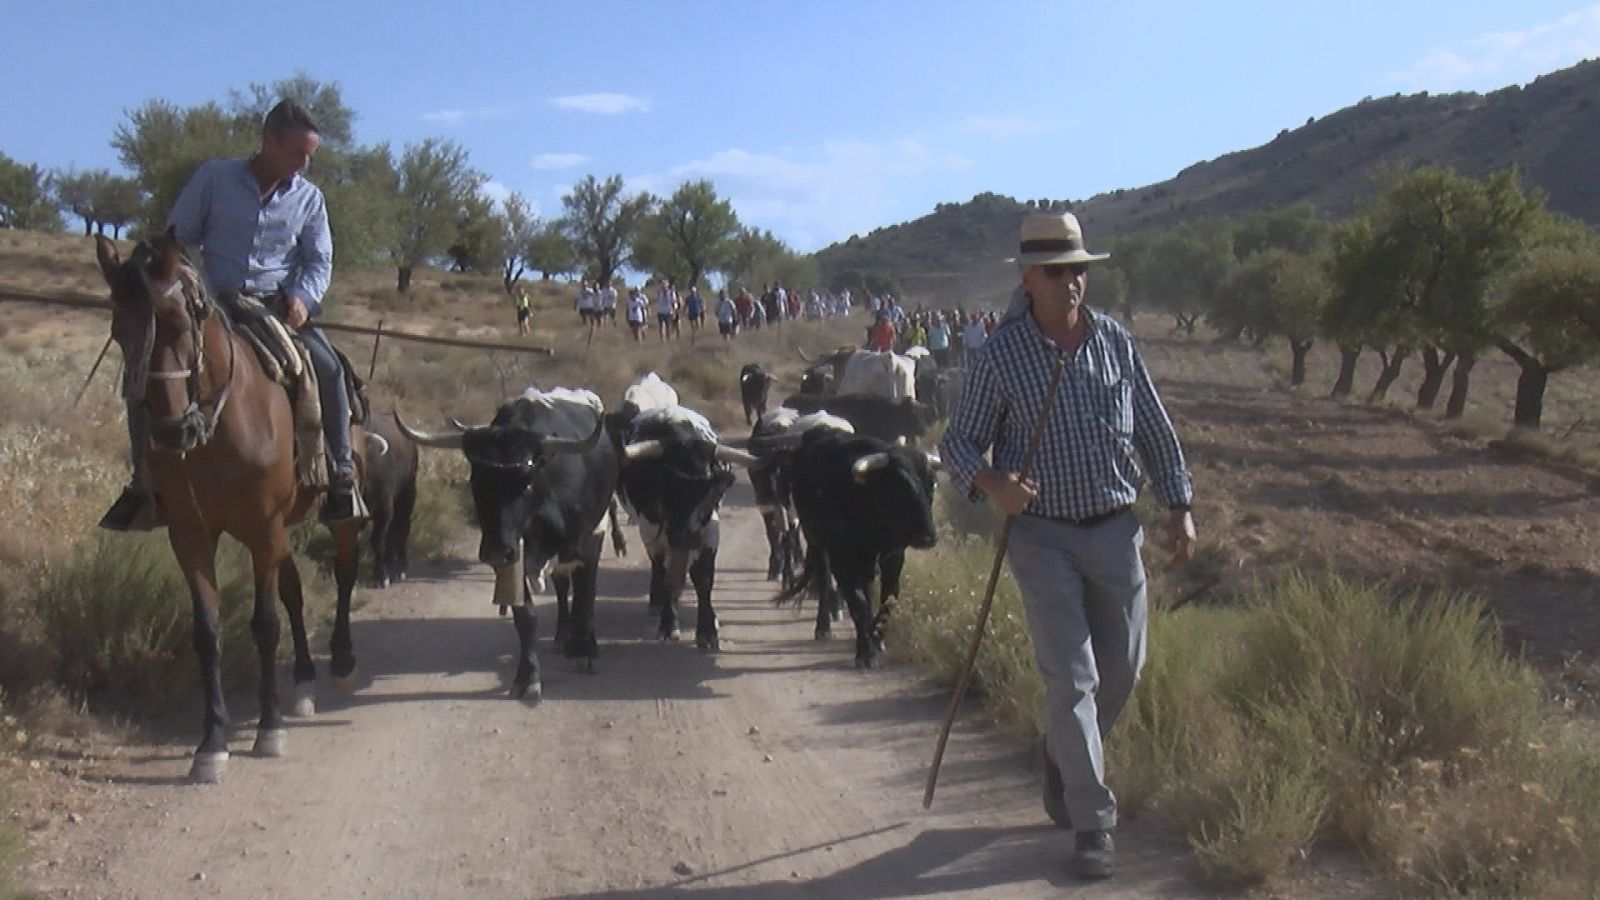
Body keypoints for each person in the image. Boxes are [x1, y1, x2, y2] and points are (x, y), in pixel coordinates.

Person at [938, 211, 1196, 881]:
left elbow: (1154, 429)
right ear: (1028, 278)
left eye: (1078, 270)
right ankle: (1092, 822)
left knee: (1124, 669)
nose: (1071, 282)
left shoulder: (1115, 342)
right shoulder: (1001, 356)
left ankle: (1062, 752)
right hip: (1042, 537)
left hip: (1116, 530)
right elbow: (958, 442)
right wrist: (993, 484)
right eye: (1056, 272)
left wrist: (1179, 505)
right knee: (1072, 679)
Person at [100, 99, 358, 530]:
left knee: (329, 369)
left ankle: (341, 477)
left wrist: (302, 297)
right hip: (209, 304)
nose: (304, 164)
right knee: (149, 369)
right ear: (268, 140)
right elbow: (177, 239)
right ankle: (142, 484)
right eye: (298, 153)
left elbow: (319, 260)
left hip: (275, 309)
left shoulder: (310, 199)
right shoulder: (214, 178)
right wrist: (188, 284)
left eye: (310, 155)